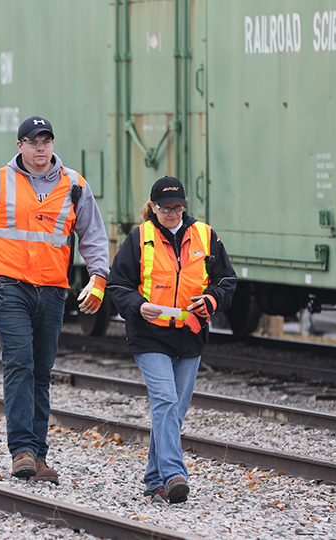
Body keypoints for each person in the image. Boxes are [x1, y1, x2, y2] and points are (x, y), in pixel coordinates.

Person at [0, 116, 109, 484]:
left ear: (52, 144)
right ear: (19, 146)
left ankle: (38, 456)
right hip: (8, 287)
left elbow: (93, 235)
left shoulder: (74, 185)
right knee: (19, 363)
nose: (40, 148)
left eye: (46, 141)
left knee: (41, 373)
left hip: (52, 291)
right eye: (33, 141)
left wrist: (99, 277)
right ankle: (21, 450)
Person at [106, 176, 236, 504]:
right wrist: (138, 306)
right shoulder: (139, 238)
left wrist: (212, 300)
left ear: (185, 205)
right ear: (153, 207)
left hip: (191, 334)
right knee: (164, 401)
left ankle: (153, 480)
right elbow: (117, 284)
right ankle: (175, 474)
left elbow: (227, 280)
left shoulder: (206, 236)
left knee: (174, 411)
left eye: (178, 207)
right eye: (165, 208)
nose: (172, 213)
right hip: (150, 335)